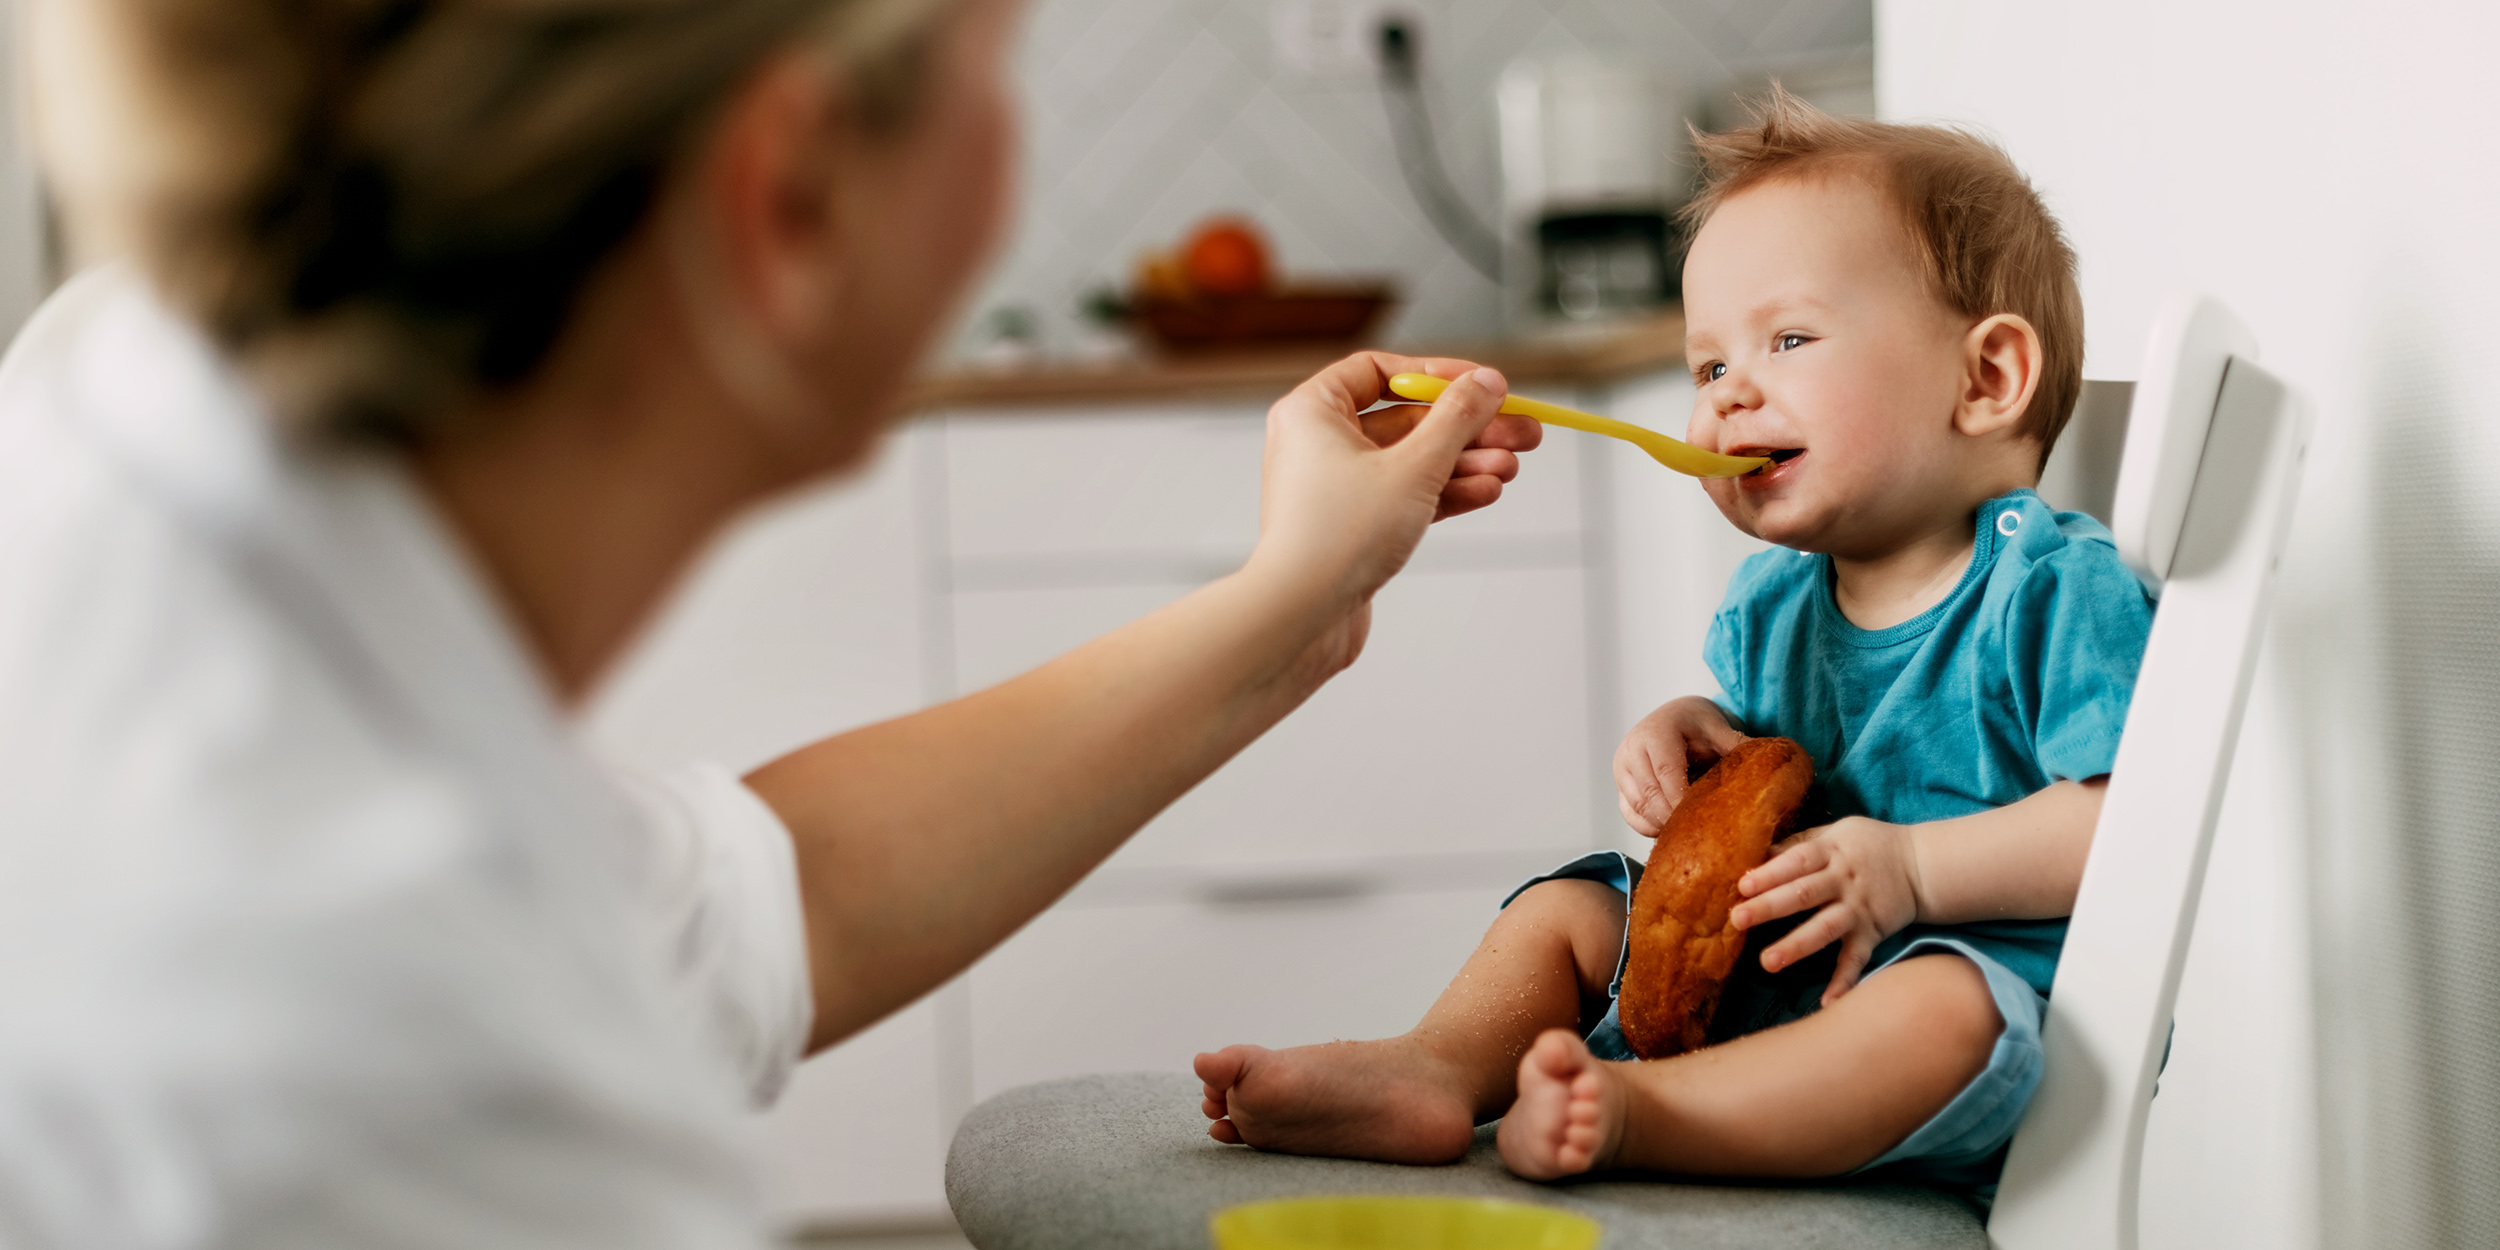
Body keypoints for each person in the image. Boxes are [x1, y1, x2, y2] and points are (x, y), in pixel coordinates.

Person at [0, 0, 1543, 1242]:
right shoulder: (423, 1077)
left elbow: (760, 907)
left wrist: (1292, 601)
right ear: (790, 193)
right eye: (995, 66)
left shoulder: (115, 397)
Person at [1194, 89, 2154, 1195]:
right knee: (1571, 909)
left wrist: (1914, 868)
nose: (1728, 394)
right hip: (1759, 987)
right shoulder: (1773, 603)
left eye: (1787, 339)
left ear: (1984, 378)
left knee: (1943, 1006)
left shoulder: (2048, 588)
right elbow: (1769, 776)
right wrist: (1691, 733)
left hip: (1937, 1022)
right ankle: (1436, 1065)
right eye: (1707, 368)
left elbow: (2125, 820)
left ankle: (1642, 1114)